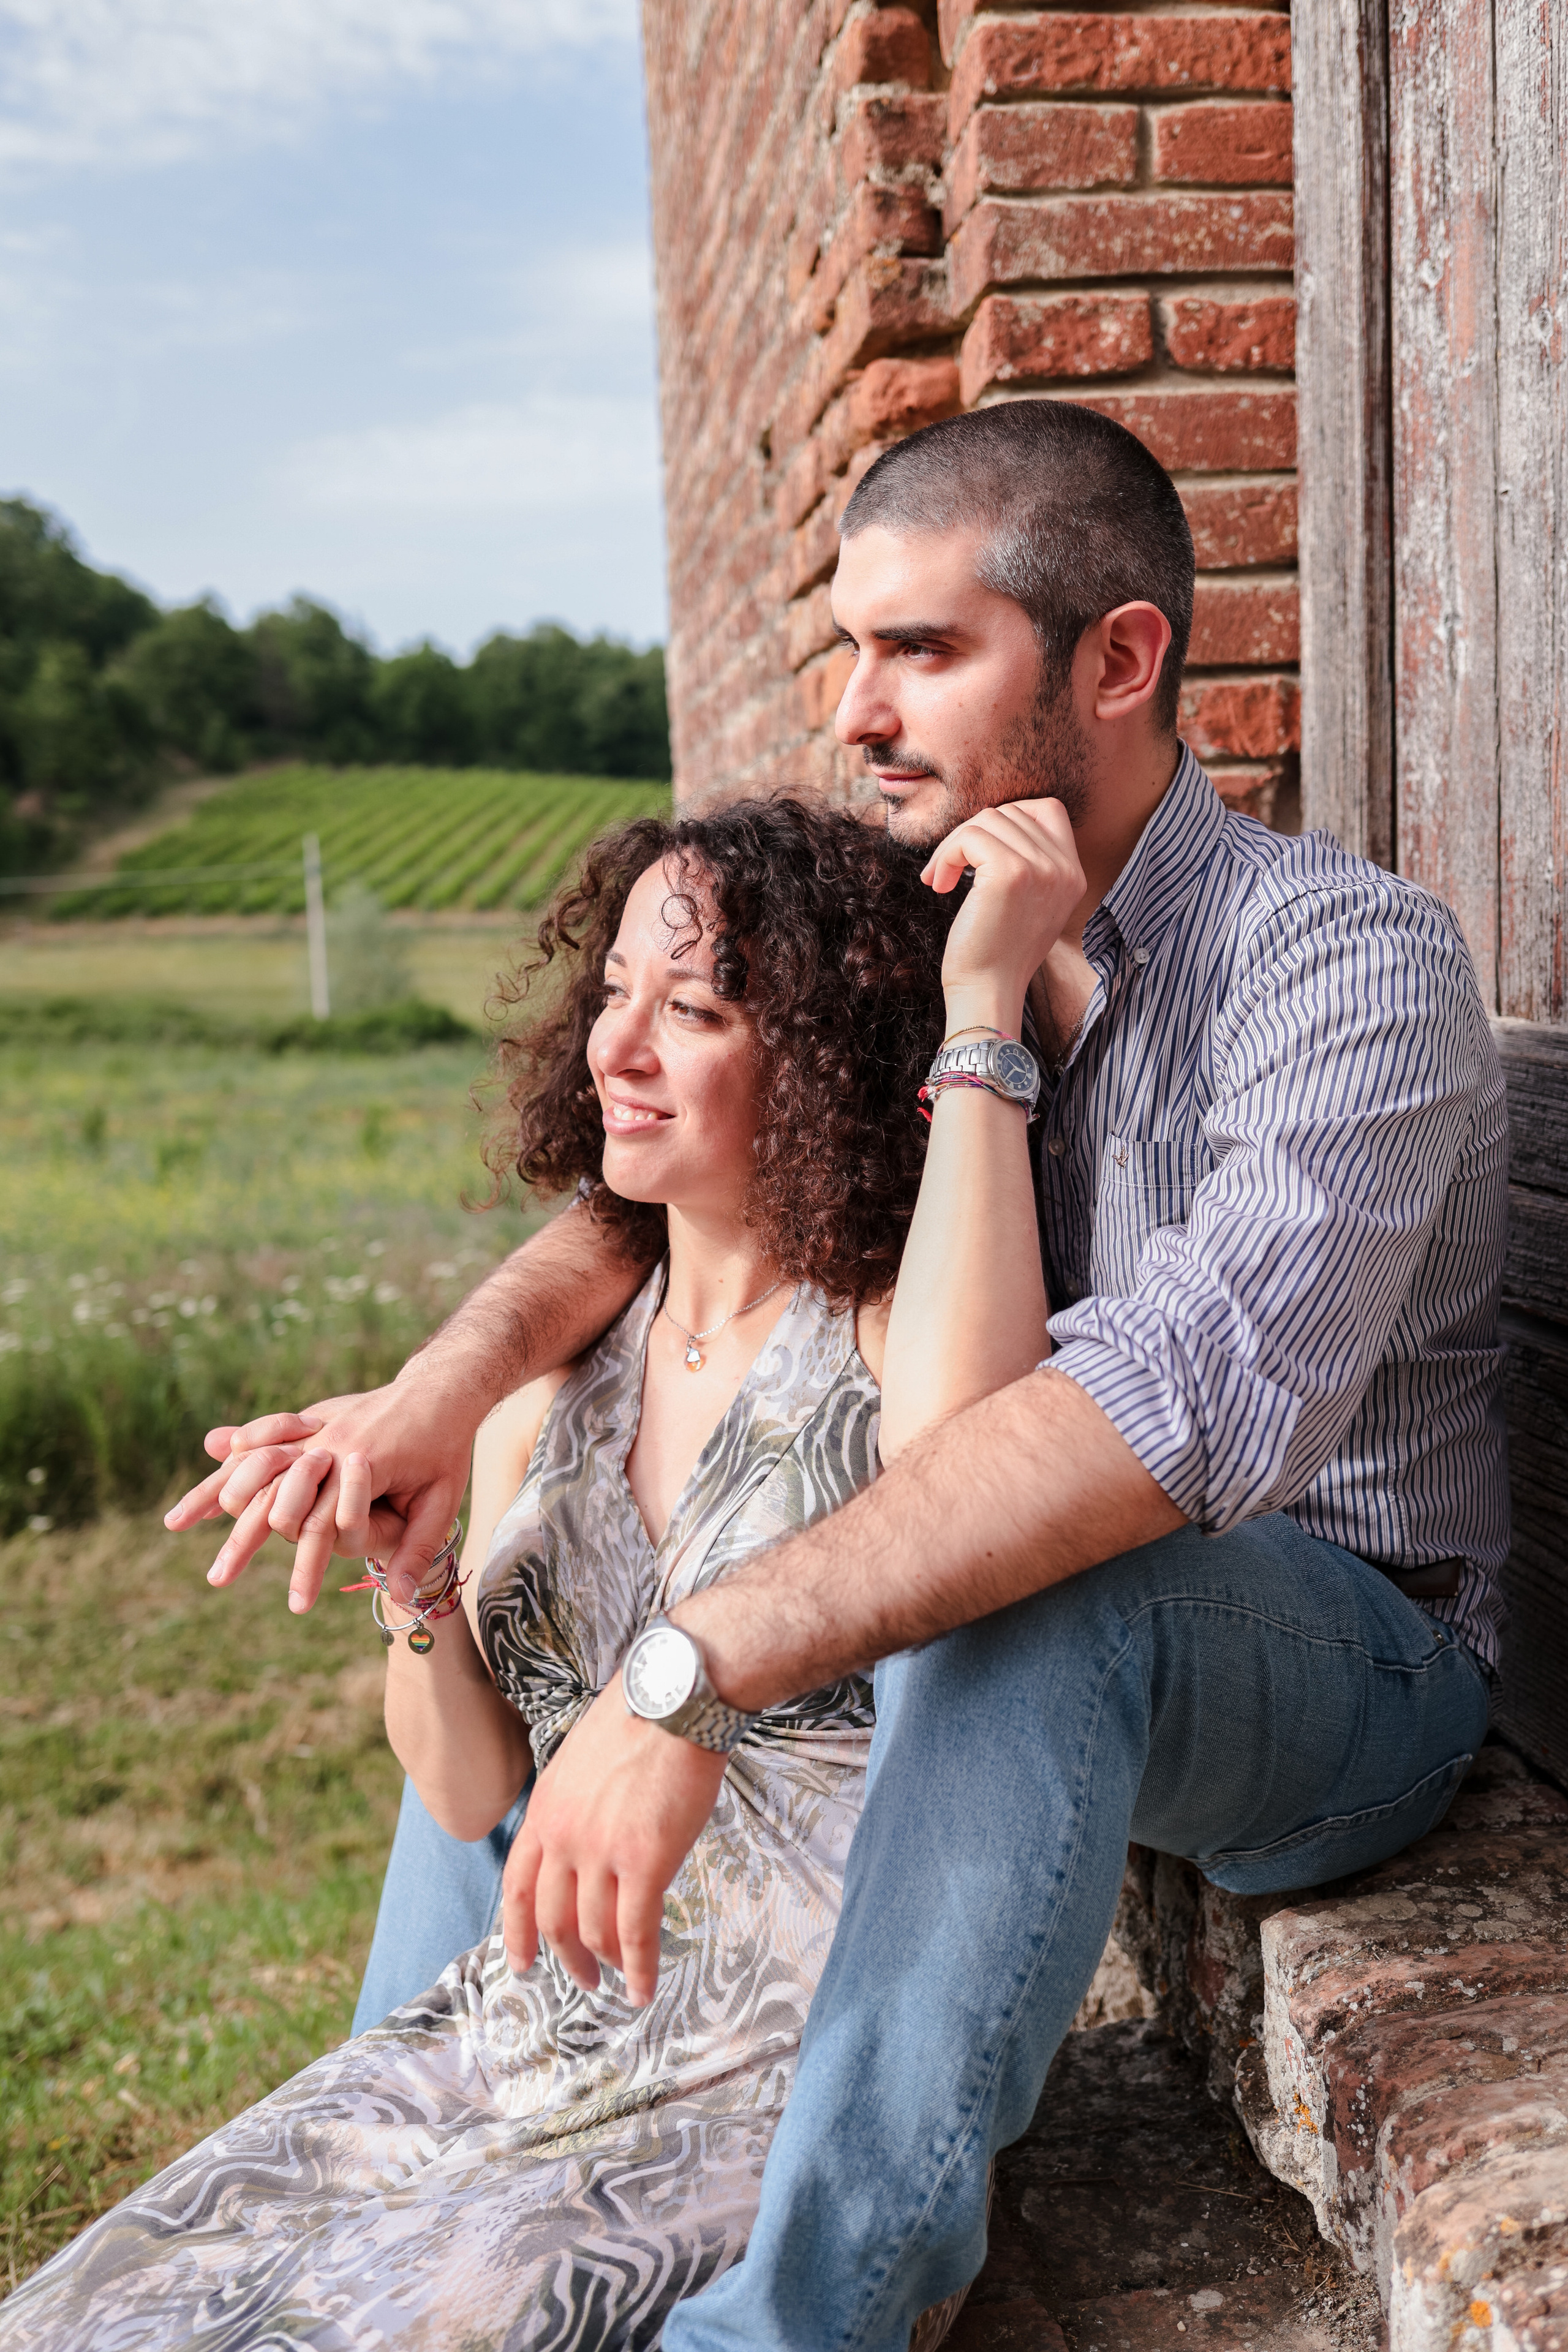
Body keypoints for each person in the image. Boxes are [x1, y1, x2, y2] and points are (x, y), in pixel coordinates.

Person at [166, 399, 1506, 2350]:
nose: (858, 712)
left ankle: (805, 2319)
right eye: (850, 652)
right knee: (558, 1571)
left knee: (1047, 1578)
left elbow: (1155, 1438)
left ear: (1120, 662)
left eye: (925, 651)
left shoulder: (1344, 968)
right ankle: (415, 2140)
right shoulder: (932, 904)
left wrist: (695, 1670)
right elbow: (668, 1201)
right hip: (1009, 1679)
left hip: (1332, 1660)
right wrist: (443, 1398)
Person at [2, 796, 1005, 2348]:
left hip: (773, 2067)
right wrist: (419, 1598)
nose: (617, 1045)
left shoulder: (881, 1337)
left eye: (695, 1008)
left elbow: (978, 1453)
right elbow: (472, 1795)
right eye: (612, 991)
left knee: (402, 2324)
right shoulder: (543, 1385)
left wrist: (990, 999)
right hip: (526, 2026)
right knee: (110, 2302)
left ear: (818, 1058)